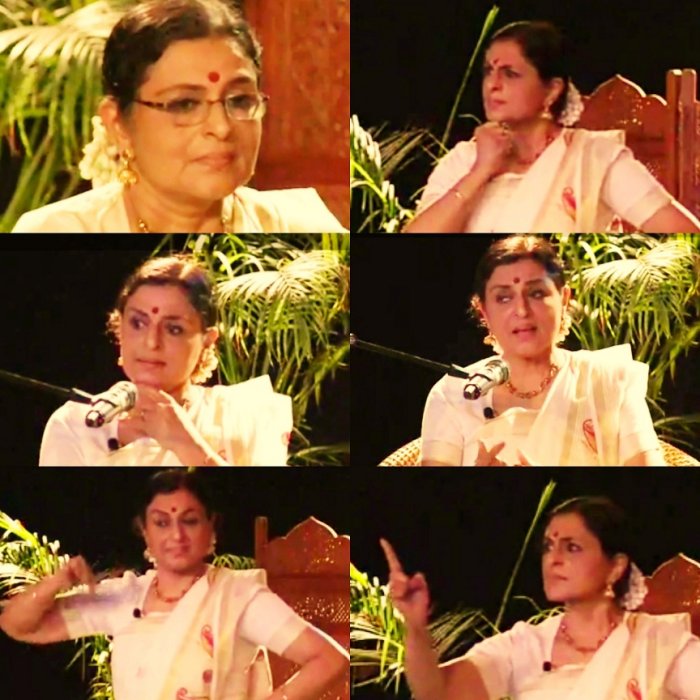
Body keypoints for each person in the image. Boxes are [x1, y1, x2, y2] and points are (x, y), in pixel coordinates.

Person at [0, 469, 348, 700]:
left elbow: (330, 659)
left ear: (211, 530)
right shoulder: (124, 596)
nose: (177, 535)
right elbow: (18, 625)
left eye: (190, 521)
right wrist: (56, 582)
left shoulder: (237, 597)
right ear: (144, 532)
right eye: (162, 523)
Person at [12, 0, 345, 234]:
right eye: (185, 104)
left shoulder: (303, 226)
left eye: (240, 100)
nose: (221, 127)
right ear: (118, 124)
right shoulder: (59, 231)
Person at [381, 496, 700, 700]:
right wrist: (416, 628)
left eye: (571, 547)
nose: (553, 559)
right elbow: (439, 693)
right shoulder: (526, 645)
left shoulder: (657, 644)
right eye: (548, 546)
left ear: (616, 567)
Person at [403, 21, 700, 234]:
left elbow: (685, 238)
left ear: (552, 90)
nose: (493, 84)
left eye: (510, 73)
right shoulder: (464, 159)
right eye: (488, 71)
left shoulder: (593, 158)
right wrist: (481, 171)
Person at [420, 235, 664, 466]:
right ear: (483, 311)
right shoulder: (453, 394)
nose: (522, 310)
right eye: (503, 298)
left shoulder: (608, 381)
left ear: (564, 299)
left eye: (536, 293)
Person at [39, 254, 292, 466]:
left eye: (174, 329)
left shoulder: (245, 414)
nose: (152, 342)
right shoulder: (77, 425)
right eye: (138, 323)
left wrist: (186, 443)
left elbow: (252, 506)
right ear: (119, 329)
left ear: (207, 340)